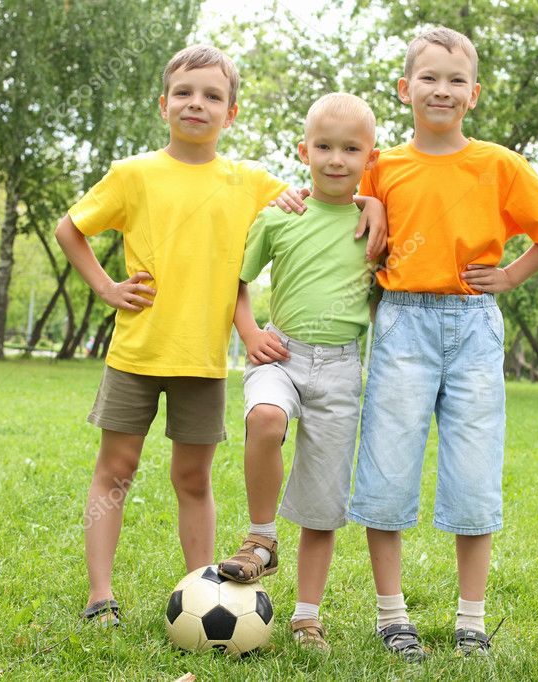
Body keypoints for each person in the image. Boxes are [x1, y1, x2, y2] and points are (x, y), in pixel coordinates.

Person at [55, 45, 385, 627]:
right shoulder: (134, 174)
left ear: (231, 113)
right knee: (117, 469)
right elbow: (70, 228)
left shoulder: (251, 181)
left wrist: (374, 204)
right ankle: (99, 595)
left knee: (192, 477)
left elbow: (330, 187)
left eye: (212, 96)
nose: (196, 104)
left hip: (204, 359)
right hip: (137, 350)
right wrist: (107, 288)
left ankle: (201, 594)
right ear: (164, 105)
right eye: (184, 93)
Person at [346, 27, 538, 660]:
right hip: (402, 323)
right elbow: (328, 188)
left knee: (474, 472)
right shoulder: (381, 164)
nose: (441, 90)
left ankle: (470, 619)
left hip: (474, 323)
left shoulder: (497, 164)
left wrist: (510, 275)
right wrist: (363, 199)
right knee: (389, 465)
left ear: (473, 94)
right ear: (405, 89)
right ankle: (391, 614)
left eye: (455, 81)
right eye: (428, 78)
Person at [217, 93, 380, 652]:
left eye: (350, 149)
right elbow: (236, 282)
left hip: (341, 368)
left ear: (369, 156)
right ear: (303, 150)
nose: (336, 159)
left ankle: (306, 615)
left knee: (322, 499)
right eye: (324, 147)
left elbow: (388, 290)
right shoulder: (281, 215)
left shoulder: (373, 223)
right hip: (280, 354)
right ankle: (260, 540)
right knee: (264, 419)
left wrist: (376, 204)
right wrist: (249, 333)